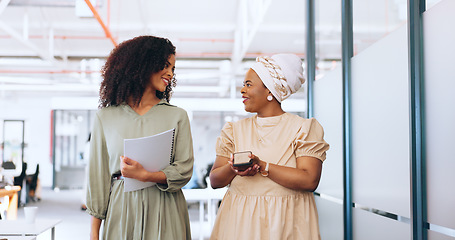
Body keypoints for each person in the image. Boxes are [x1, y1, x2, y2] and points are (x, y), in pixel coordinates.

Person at [209, 54, 330, 240]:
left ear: (270, 91)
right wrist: (233, 168)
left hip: (287, 223)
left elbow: (309, 180)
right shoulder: (233, 130)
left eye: (248, 84)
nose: (242, 90)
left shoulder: (303, 129)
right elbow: (215, 180)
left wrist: (262, 166)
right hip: (240, 222)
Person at [86, 35, 194, 240]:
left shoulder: (177, 116)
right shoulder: (105, 117)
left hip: (166, 207)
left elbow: (184, 169)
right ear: (143, 64)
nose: (170, 73)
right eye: (165, 65)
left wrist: (147, 176)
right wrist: (94, 233)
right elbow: (97, 178)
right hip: (121, 207)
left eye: (173, 68)